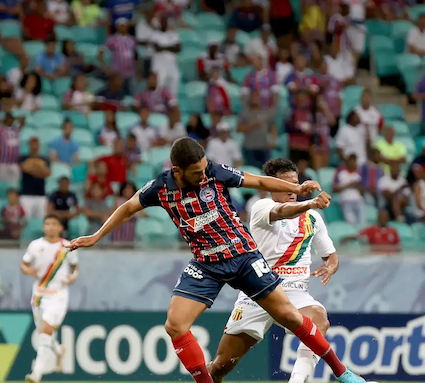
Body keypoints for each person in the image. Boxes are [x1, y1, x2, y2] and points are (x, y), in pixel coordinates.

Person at [67, 137, 366, 383]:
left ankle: (342, 372)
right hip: (205, 264)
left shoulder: (214, 170)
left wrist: (296, 190)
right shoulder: (160, 188)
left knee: (290, 316)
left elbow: (256, 181)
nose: (203, 175)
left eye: (203, 168)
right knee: (175, 325)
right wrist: (96, 236)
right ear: (177, 170)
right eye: (195, 172)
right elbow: (128, 207)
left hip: (243, 255)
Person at [214, 158, 337, 383]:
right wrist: (309, 203)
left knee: (320, 320)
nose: (293, 190)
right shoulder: (261, 207)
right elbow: (284, 211)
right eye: (285, 185)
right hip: (258, 292)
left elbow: (330, 254)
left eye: (296, 184)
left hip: (295, 292)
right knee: (220, 366)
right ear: (270, 186)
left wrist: (330, 266)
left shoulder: (313, 218)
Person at [21, 214, 79, 383]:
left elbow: (75, 269)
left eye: (54, 224)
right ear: (43, 227)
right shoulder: (35, 245)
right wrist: (28, 270)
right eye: (47, 224)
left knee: (45, 330)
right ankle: (58, 350)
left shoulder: (67, 247)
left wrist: (73, 277)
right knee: (42, 331)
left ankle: (36, 374)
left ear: (60, 227)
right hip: (39, 294)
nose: (50, 227)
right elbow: (24, 264)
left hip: (58, 295)